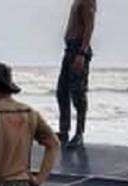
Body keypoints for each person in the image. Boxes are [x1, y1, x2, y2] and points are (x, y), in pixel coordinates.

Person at [56, 0, 96, 148]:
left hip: (78, 49)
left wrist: (82, 52)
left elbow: (89, 26)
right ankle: (64, 130)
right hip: (70, 49)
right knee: (62, 92)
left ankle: (79, 133)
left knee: (78, 94)